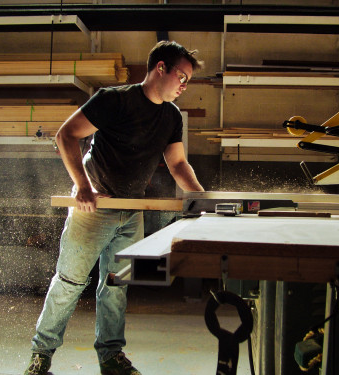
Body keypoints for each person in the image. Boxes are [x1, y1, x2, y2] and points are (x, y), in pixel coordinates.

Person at [24, 40, 205, 375]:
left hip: (131, 211)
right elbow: (66, 135)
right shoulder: (114, 100)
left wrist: (201, 199)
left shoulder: (171, 116)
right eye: (181, 75)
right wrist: (82, 186)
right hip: (94, 207)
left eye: (188, 81)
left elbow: (178, 164)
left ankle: (110, 357)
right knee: (69, 283)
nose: (183, 85)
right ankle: (41, 356)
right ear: (160, 68)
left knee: (116, 287)